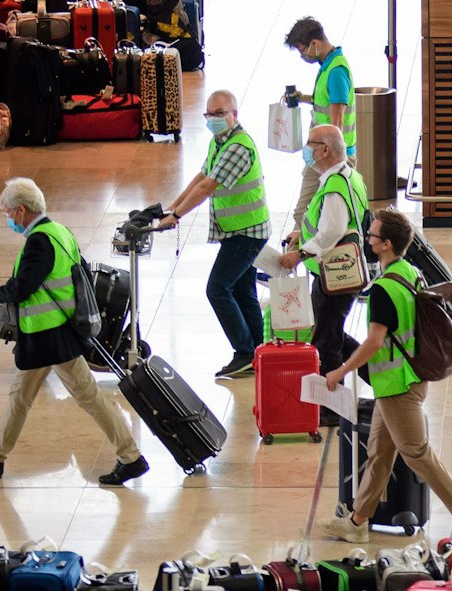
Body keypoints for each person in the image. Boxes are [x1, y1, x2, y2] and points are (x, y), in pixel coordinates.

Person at [0, 178, 148, 485]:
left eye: (7, 213)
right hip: (55, 335)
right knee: (21, 398)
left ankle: (132, 457)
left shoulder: (39, 241)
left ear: (20, 210)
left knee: (90, 399)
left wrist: (1, 293)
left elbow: (26, 285)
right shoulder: (61, 232)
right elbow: (81, 270)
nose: (8, 219)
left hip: (50, 338)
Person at [317, 208, 452, 543]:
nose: (368, 239)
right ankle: (358, 520)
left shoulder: (382, 290)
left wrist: (341, 370)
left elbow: (375, 341)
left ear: (386, 244)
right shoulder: (411, 272)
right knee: (379, 454)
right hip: (408, 377)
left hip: (397, 386)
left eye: (372, 236)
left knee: (417, 453)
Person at [154, 90, 272, 379]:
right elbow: (200, 178)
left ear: (234, 114)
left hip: (248, 233)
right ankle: (259, 351)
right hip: (238, 230)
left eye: (221, 113)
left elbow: (209, 188)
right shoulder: (220, 142)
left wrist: (178, 216)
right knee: (243, 291)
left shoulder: (237, 147)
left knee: (217, 289)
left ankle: (244, 352)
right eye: (210, 114)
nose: (215, 119)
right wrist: (172, 207)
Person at [269, 125, 370, 391]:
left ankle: (331, 406)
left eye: (310, 144)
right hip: (337, 273)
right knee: (330, 333)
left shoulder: (334, 187)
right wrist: (300, 234)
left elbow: (331, 231)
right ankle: (378, 375)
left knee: (327, 342)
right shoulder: (347, 176)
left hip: (334, 277)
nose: (306, 149)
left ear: (324, 149)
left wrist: (299, 255)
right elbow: (329, 223)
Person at [284, 17, 359, 234]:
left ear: (315, 43)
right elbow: (326, 102)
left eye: (303, 49)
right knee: (309, 213)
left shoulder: (336, 71)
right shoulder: (328, 65)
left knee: (309, 214)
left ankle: (305, 256)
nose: (303, 55)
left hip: (330, 157)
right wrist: (303, 98)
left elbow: (336, 124)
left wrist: (328, 164)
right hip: (322, 154)